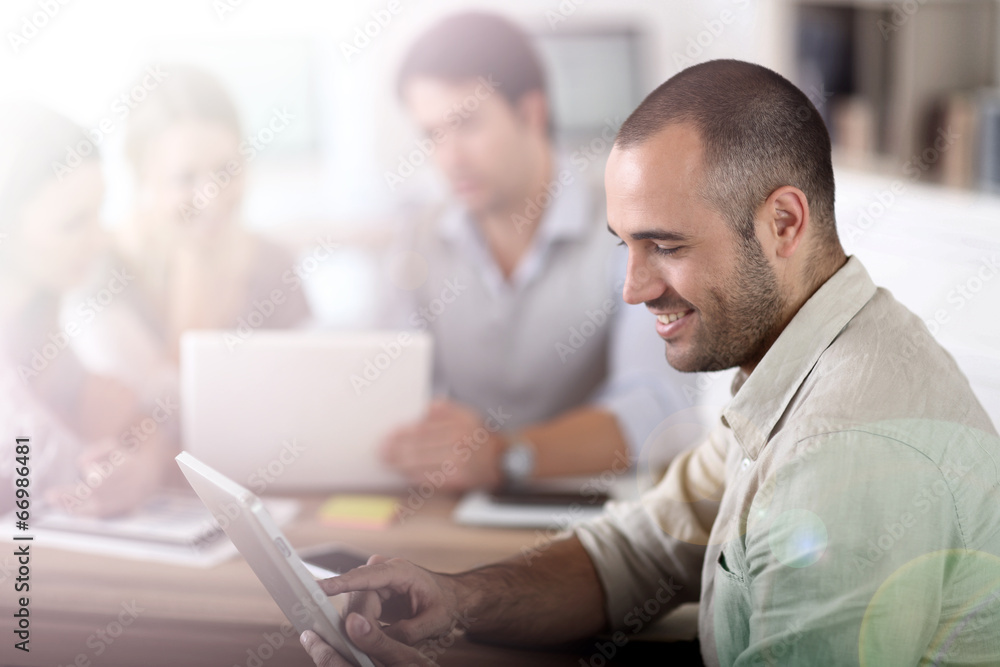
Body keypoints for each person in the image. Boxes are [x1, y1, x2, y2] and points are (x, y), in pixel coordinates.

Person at [300, 60, 1000, 666]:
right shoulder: (793, 362)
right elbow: (641, 550)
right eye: (624, 245)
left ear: (784, 223)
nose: (634, 289)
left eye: (665, 245)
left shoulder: (845, 451)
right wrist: (460, 597)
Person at [379, 12, 689, 491]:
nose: (450, 157)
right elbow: (390, 390)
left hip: (590, 514)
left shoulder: (626, 226)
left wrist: (505, 456)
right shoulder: (417, 235)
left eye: (467, 126)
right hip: (453, 506)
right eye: (432, 135)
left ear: (532, 112)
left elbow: (658, 405)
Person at [67, 65, 311, 403]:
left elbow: (306, 391)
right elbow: (160, 422)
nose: (211, 199)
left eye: (227, 171)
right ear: (143, 179)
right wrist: (193, 273)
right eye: (185, 178)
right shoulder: (97, 274)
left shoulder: (273, 263)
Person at [0, 105, 171, 517]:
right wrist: (88, 437)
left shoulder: (39, 318)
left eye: (98, 213)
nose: (100, 240)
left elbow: (140, 423)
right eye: (73, 223)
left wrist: (139, 469)